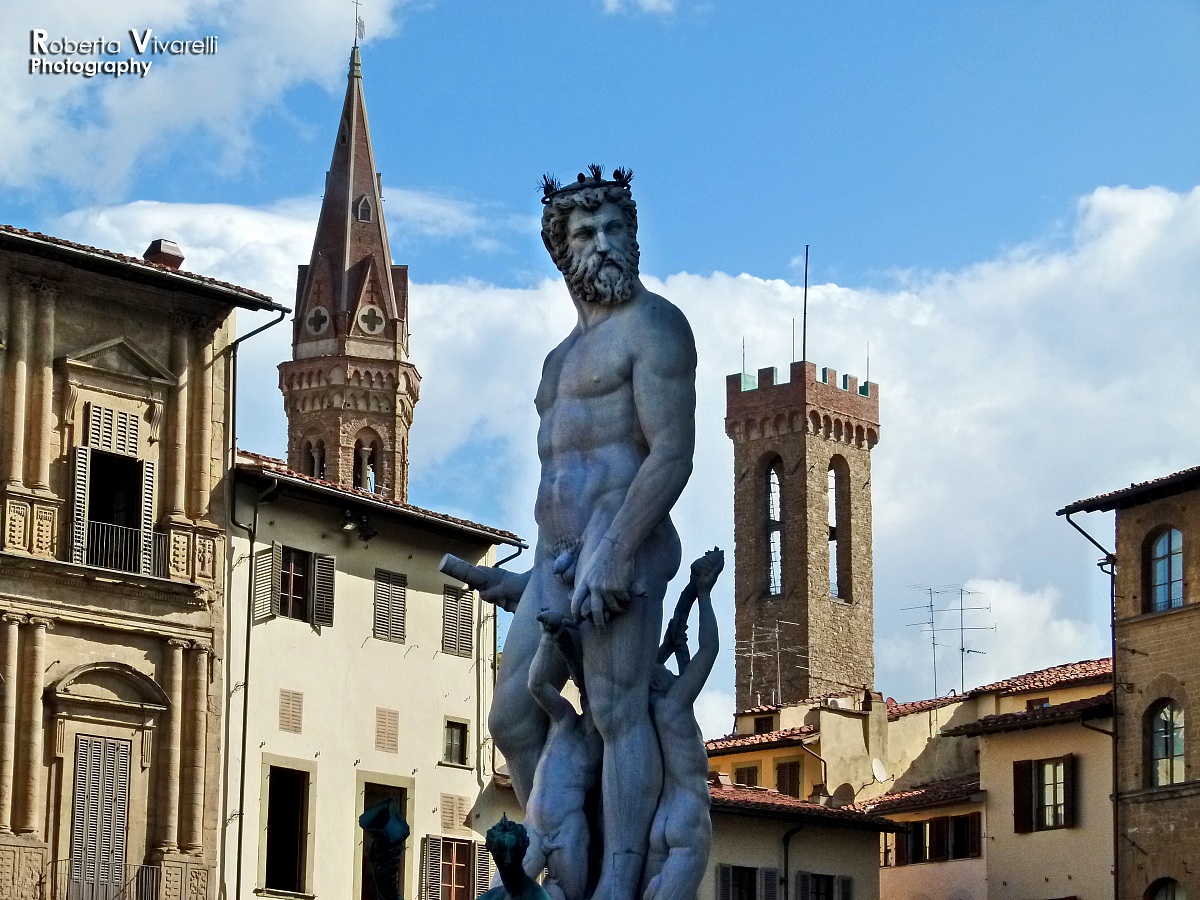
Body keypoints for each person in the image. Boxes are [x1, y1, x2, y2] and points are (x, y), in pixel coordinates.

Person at [445, 166, 697, 900]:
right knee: (513, 716)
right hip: (555, 560)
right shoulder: (557, 361)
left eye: (617, 228)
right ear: (561, 250)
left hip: (625, 543)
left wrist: (615, 552)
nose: (606, 242)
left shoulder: (655, 325)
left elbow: (672, 453)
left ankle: (616, 882)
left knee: (617, 713)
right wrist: (526, 579)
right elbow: (562, 475)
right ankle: (562, 860)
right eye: (588, 232)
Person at [643, 549, 723, 900]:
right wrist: (703, 594)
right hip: (689, 814)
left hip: (662, 818)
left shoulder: (653, 708)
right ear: (659, 681)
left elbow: (672, 659)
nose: (676, 673)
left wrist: (673, 645)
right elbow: (710, 650)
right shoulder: (675, 703)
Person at [521, 611, 602, 900]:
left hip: (569, 831)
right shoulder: (565, 719)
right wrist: (548, 639)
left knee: (568, 896)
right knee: (502, 892)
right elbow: (537, 685)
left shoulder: (606, 747)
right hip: (534, 826)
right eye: (589, 697)